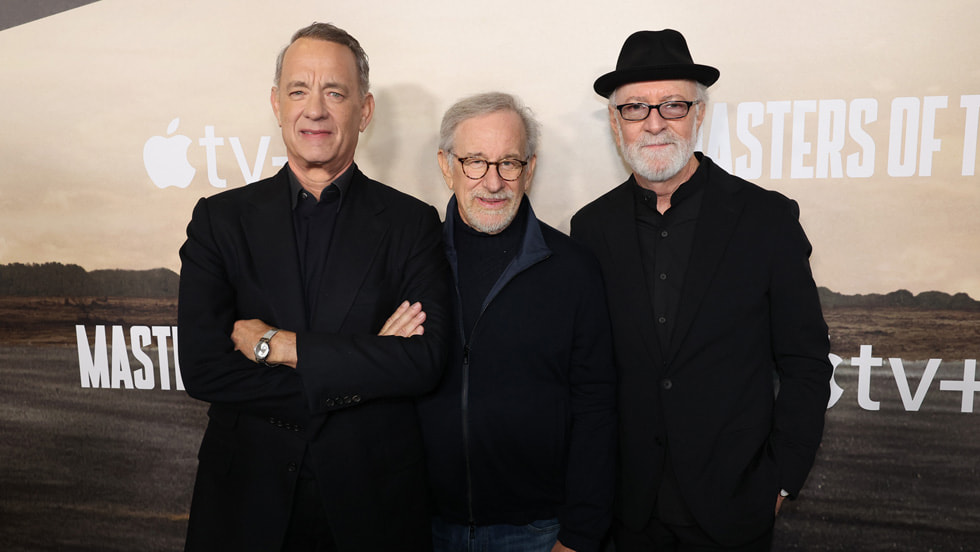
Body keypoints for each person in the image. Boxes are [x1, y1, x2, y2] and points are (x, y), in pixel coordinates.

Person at [177, 22, 450, 552]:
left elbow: (424, 361)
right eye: (299, 90)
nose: (315, 109)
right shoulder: (220, 220)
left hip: (371, 509)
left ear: (364, 110)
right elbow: (204, 367)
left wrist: (281, 347)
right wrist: (368, 366)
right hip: (244, 505)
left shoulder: (412, 223)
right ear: (277, 105)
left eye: (335, 92)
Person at [570, 30, 832, 551]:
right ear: (614, 121)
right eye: (635, 108)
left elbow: (805, 361)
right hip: (629, 513)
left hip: (735, 510)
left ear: (700, 113)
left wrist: (778, 481)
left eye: (673, 105)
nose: (654, 122)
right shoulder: (591, 229)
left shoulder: (767, 220)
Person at [415, 92, 616, 552]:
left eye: (508, 162)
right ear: (446, 166)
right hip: (421, 525)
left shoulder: (574, 269)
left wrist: (580, 535)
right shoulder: (411, 262)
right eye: (475, 162)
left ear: (530, 168)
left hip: (535, 533)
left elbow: (596, 408)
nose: (493, 181)